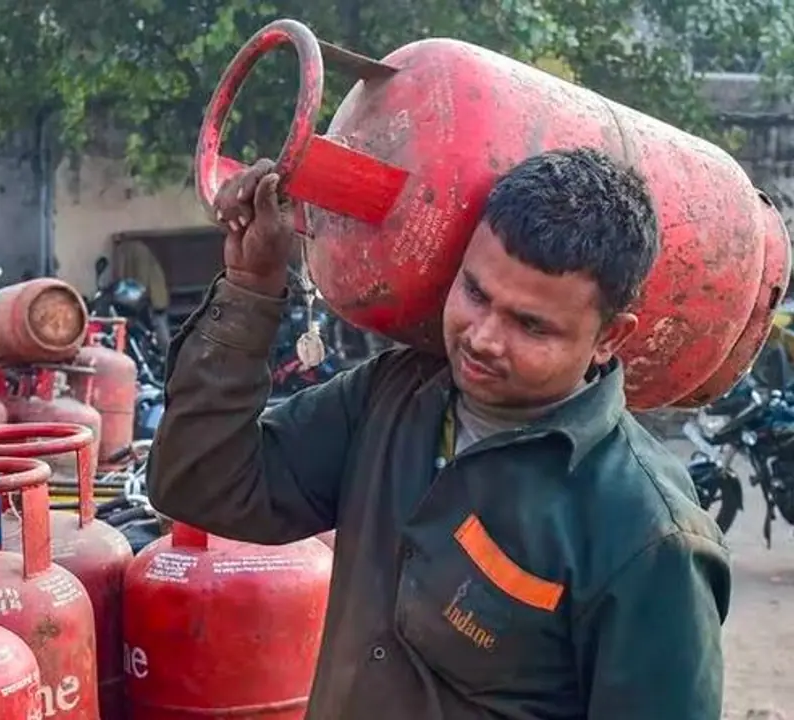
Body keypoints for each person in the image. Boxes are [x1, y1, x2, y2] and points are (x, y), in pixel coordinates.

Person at [147, 148, 730, 720]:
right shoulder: (393, 398)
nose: (482, 338)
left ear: (610, 337)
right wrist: (251, 288)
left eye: (530, 325)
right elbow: (200, 487)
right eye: (475, 293)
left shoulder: (649, 538)